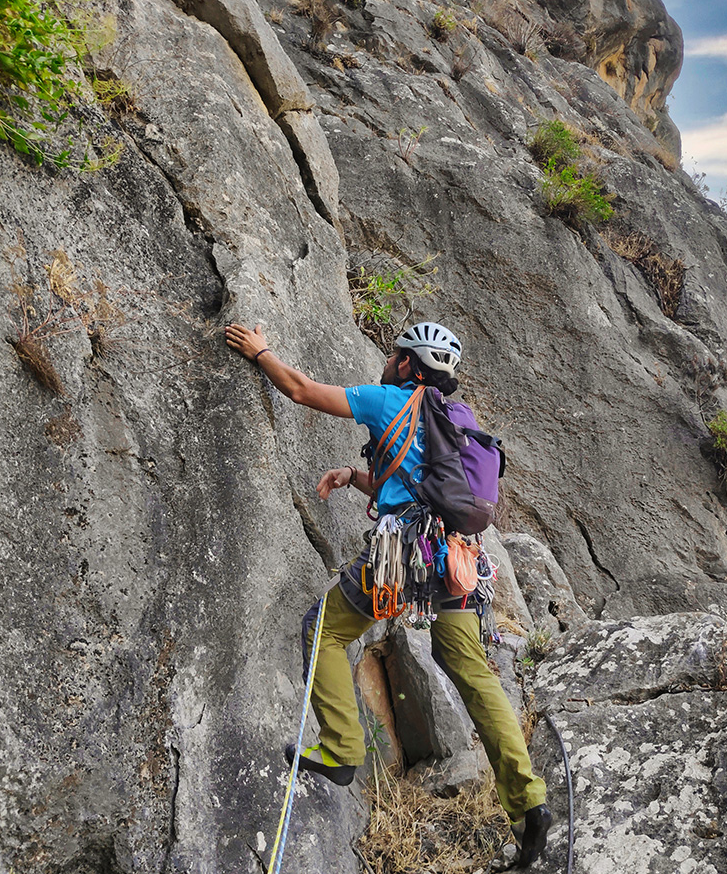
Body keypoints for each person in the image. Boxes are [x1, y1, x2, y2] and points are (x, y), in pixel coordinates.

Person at [225, 320, 551, 868]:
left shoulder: (390, 400)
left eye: (396, 352)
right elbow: (421, 482)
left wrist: (263, 353)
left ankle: (340, 750)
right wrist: (356, 475)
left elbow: (303, 390)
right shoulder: (459, 420)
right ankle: (527, 802)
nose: (388, 358)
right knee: (468, 667)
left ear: (409, 364)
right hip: (458, 559)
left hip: (405, 557)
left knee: (323, 629)